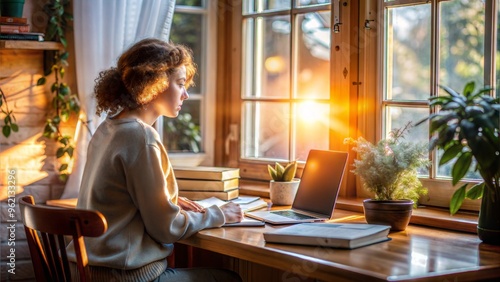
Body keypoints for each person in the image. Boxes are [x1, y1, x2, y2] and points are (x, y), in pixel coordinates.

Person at [67, 38, 243, 281]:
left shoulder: (108, 128)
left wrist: (166, 201)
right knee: (228, 278)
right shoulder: (141, 136)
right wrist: (219, 214)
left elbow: (119, 196)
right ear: (155, 83)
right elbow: (165, 229)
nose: (186, 94)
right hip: (123, 276)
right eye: (180, 84)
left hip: (85, 272)